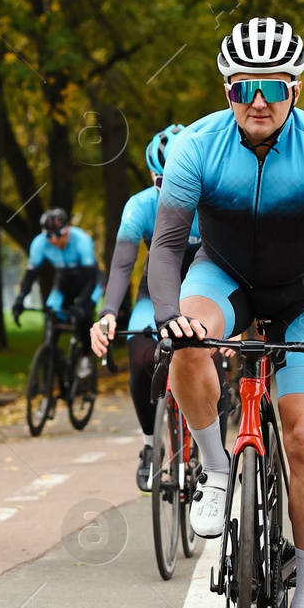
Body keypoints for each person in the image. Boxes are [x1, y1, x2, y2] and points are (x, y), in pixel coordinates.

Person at [147, 17, 304, 608]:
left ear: (294, 88)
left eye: (273, 85)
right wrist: (167, 315)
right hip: (227, 275)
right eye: (246, 87)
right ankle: (216, 468)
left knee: (302, 435)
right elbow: (165, 245)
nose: (259, 99)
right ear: (227, 90)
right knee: (188, 338)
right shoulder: (195, 146)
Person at [88, 125, 201, 491]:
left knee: (208, 359)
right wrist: (107, 312)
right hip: (155, 292)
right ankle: (151, 445)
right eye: (160, 183)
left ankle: (210, 436)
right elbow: (122, 265)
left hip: (202, 289)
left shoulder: (211, 200)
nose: (170, 193)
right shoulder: (139, 205)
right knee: (139, 355)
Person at [10, 208, 102, 341]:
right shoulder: (39, 243)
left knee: (83, 315)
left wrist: (81, 305)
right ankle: (49, 354)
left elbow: (91, 279)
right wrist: (20, 298)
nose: (54, 240)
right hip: (64, 280)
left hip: (89, 281)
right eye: (49, 236)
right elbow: (30, 275)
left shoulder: (82, 240)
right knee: (51, 314)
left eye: (58, 234)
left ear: (68, 228)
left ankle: (86, 356)